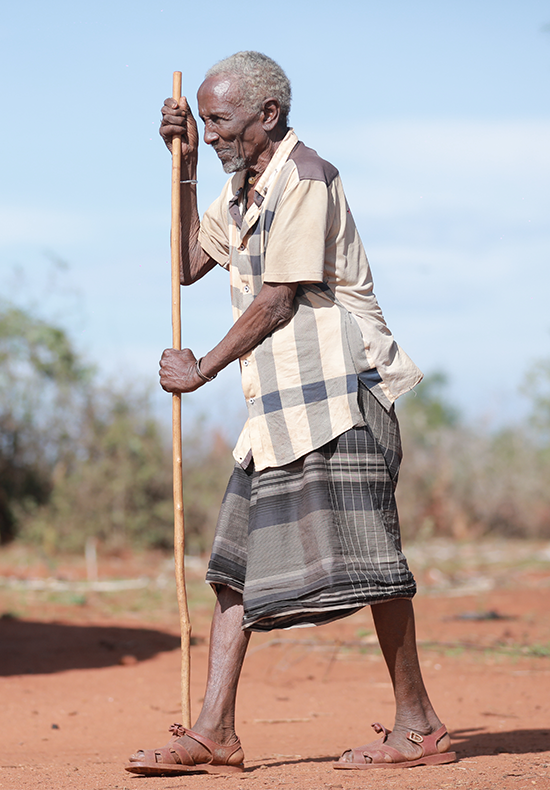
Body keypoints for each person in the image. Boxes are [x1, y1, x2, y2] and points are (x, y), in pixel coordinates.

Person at [126, 51, 456, 776]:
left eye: (219, 122)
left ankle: (419, 725)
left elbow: (277, 299)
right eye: (203, 122)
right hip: (276, 411)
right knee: (233, 571)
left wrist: (201, 368)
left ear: (267, 114)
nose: (210, 134)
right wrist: (181, 165)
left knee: (375, 566)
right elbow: (187, 262)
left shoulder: (306, 179)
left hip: (339, 400)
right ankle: (215, 730)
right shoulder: (241, 190)